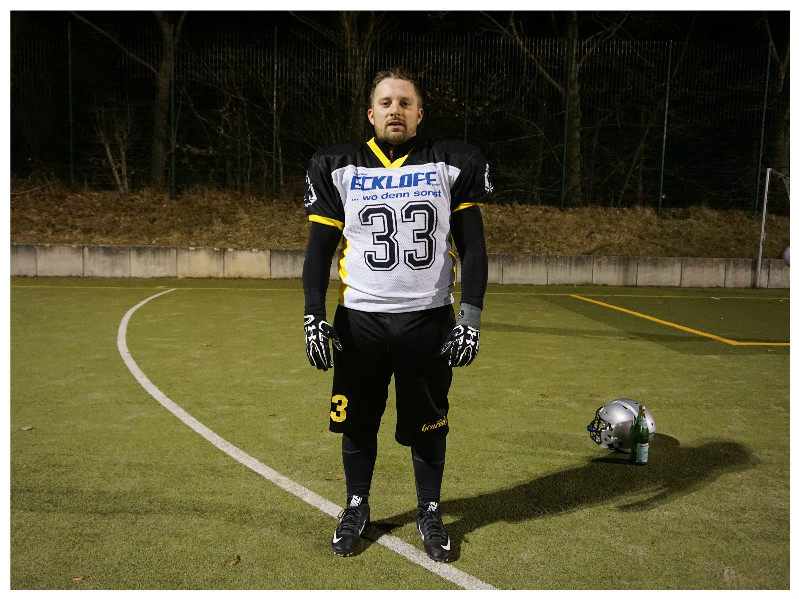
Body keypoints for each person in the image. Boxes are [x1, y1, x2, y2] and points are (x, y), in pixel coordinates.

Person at [301, 66, 490, 563]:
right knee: (357, 422)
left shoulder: (451, 162)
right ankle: (356, 505)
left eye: (405, 103)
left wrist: (470, 316)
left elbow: (473, 247)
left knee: (429, 423)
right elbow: (318, 250)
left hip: (428, 319)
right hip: (359, 320)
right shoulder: (339, 165)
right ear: (371, 113)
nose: (395, 110)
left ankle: (430, 509)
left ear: (420, 113)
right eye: (386, 102)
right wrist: (313, 315)